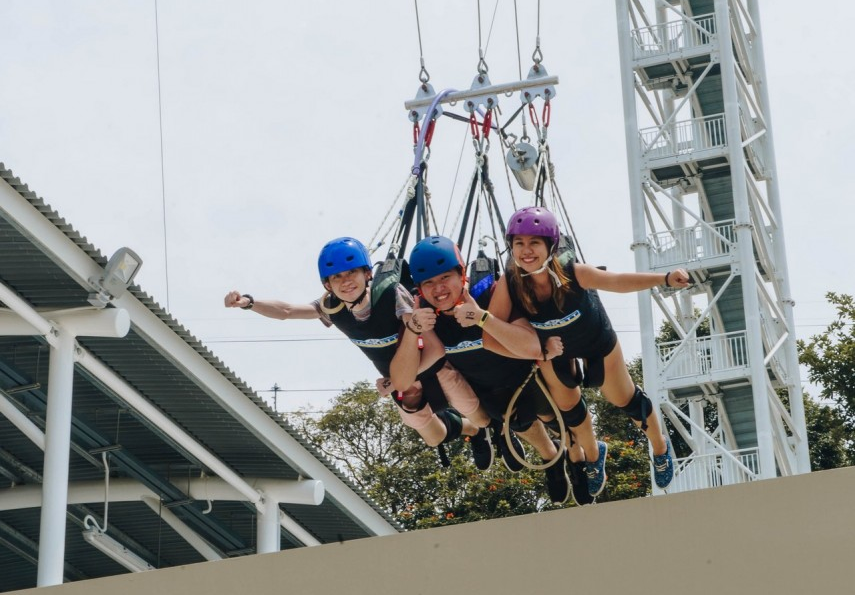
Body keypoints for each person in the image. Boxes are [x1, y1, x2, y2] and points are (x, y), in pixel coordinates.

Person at [224, 236, 496, 469]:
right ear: (328, 284)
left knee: (482, 416)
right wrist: (249, 302)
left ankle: (486, 428)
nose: (345, 282)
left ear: (367, 274)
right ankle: (471, 431)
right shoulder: (332, 307)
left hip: (431, 367)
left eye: (351, 273)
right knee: (434, 437)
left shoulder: (391, 296)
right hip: (400, 381)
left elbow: (435, 349)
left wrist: (398, 380)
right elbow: (287, 311)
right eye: (337, 277)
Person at [490, 206, 691, 492]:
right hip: (554, 350)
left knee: (625, 400)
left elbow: (617, 281)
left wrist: (665, 278)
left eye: (534, 242)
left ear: (550, 246)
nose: (526, 251)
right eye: (519, 243)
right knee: (569, 411)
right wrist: (535, 351)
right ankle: (594, 456)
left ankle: (660, 446)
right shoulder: (510, 283)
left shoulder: (573, 272)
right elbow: (492, 334)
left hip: (596, 341)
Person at [390, 235, 576, 505]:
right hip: (487, 388)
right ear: (419, 289)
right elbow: (403, 380)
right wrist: (413, 329)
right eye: (428, 283)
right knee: (515, 420)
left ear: (461, 274)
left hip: (525, 374)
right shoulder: (424, 313)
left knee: (553, 417)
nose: (438, 289)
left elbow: (532, 346)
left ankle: (582, 454)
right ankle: (552, 458)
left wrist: (482, 318)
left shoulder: (489, 293)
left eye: (445, 278)